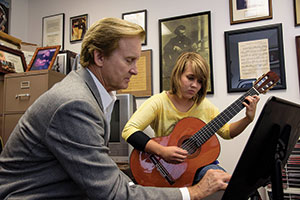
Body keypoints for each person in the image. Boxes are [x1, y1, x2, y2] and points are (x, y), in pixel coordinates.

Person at [0, 18, 230, 200]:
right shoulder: (75, 103)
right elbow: (111, 193)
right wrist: (194, 192)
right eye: (129, 60)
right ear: (99, 57)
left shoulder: (91, 93)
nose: (135, 71)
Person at [122, 52, 260, 185]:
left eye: (200, 81)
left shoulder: (205, 106)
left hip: (198, 168)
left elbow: (227, 132)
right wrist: (162, 151)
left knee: (225, 183)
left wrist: (247, 119)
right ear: (178, 75)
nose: (195, 85)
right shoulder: (159, 102)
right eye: (190, 78)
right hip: (163, 168)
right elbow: (129, 130)